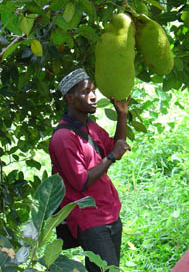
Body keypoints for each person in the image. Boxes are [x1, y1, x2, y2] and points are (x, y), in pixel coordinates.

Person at [49, 68, 131, 272]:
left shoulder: (90, 127)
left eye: (93, 91)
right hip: (88, 219)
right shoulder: (63, 138)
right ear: (70, 98)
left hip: (109, 211)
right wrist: (111, 157)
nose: (93, 96)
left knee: (109, 269)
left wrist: (122, 115)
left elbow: (116, 145)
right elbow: (81, 181)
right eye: (86, 92)